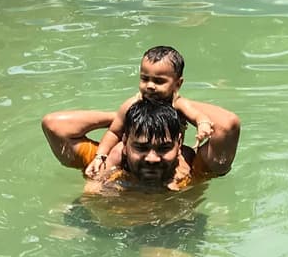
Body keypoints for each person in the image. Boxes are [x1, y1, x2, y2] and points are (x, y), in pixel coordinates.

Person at [41, 95, 241, 195]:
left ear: (179, 143)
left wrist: (176, 101)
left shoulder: (195, 169)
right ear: (125, 141)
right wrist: (122, 119)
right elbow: (54, 125)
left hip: (171, 235)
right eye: (141, 148)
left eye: (164, 148)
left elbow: (228, 125)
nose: (152, 159)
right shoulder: (104, 163)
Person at [81, 44, 222, 179]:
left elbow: (197, 115)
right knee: (117, 151)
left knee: (186, 158)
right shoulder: (132, 104)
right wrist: (100, 156)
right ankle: (101, 177)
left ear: (178, 84)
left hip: (166, 151)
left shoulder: (178, 103)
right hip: (138, 146)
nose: (150, 86)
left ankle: (179, 181)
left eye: (158, 81)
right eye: (144, 79)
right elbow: (114, 132)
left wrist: (203, 124)